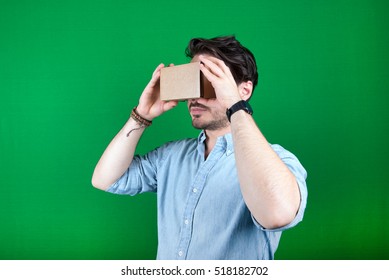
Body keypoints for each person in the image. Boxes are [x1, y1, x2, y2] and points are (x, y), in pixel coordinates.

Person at [92, 35, 308, 260]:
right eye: (192, 82)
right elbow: (105, 179)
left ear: (244, 90)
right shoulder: (170, 157)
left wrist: (235, 106)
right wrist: (141, 115)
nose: (195, 97)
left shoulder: (278, 161)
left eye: (208, 82)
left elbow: (277, 215)